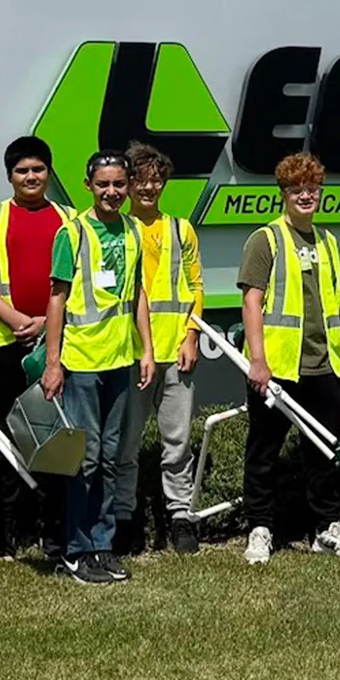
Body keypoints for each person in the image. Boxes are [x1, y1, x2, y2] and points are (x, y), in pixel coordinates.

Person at [237, 152, 340, 565]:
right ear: (283, 194)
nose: (305, 196)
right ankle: (259, 529)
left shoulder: (327, 241)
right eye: (296, 190)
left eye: (312, 189)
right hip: (277, 367)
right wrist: (258, 360)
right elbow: (251, 302)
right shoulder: (265, 239)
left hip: (324, 366)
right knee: (263, 452)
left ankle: (326, 528)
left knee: (323, 454)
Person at [42, 150, 154, 584]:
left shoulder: (132, 232)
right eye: (103, 184)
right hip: (81, 363)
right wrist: (54, 362)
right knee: (83, 461)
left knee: (109, 459)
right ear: (89, 185)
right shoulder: (71, 234)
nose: (112, 192)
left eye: (119, 184)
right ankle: (76, 550)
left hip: (119, 360)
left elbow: (137, 295)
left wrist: (145, 349)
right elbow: (57, 299)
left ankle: (102, 545)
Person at [0, 136, 72, 559]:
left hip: (51, 345)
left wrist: (44, 321)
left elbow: (70, 284)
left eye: (38, 169)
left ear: (48, 173)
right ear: (9, 176)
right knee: (2, 441)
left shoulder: (68, 219)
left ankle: (47, 529)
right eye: (23, 171)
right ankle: (3, 534)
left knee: (49, 437)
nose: (31, 177)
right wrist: (13, 319)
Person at [112, 141, 205, 556]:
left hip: (176, 352)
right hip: (130, 354)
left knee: (178, 442)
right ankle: (124, 518)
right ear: (128, 183)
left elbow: (196, 287)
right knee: (126, 444)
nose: (149, 188)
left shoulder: (181, 228)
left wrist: (191, 336)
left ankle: (180, 517)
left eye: (156, 181)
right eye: (141, 180)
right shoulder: (118, 229)